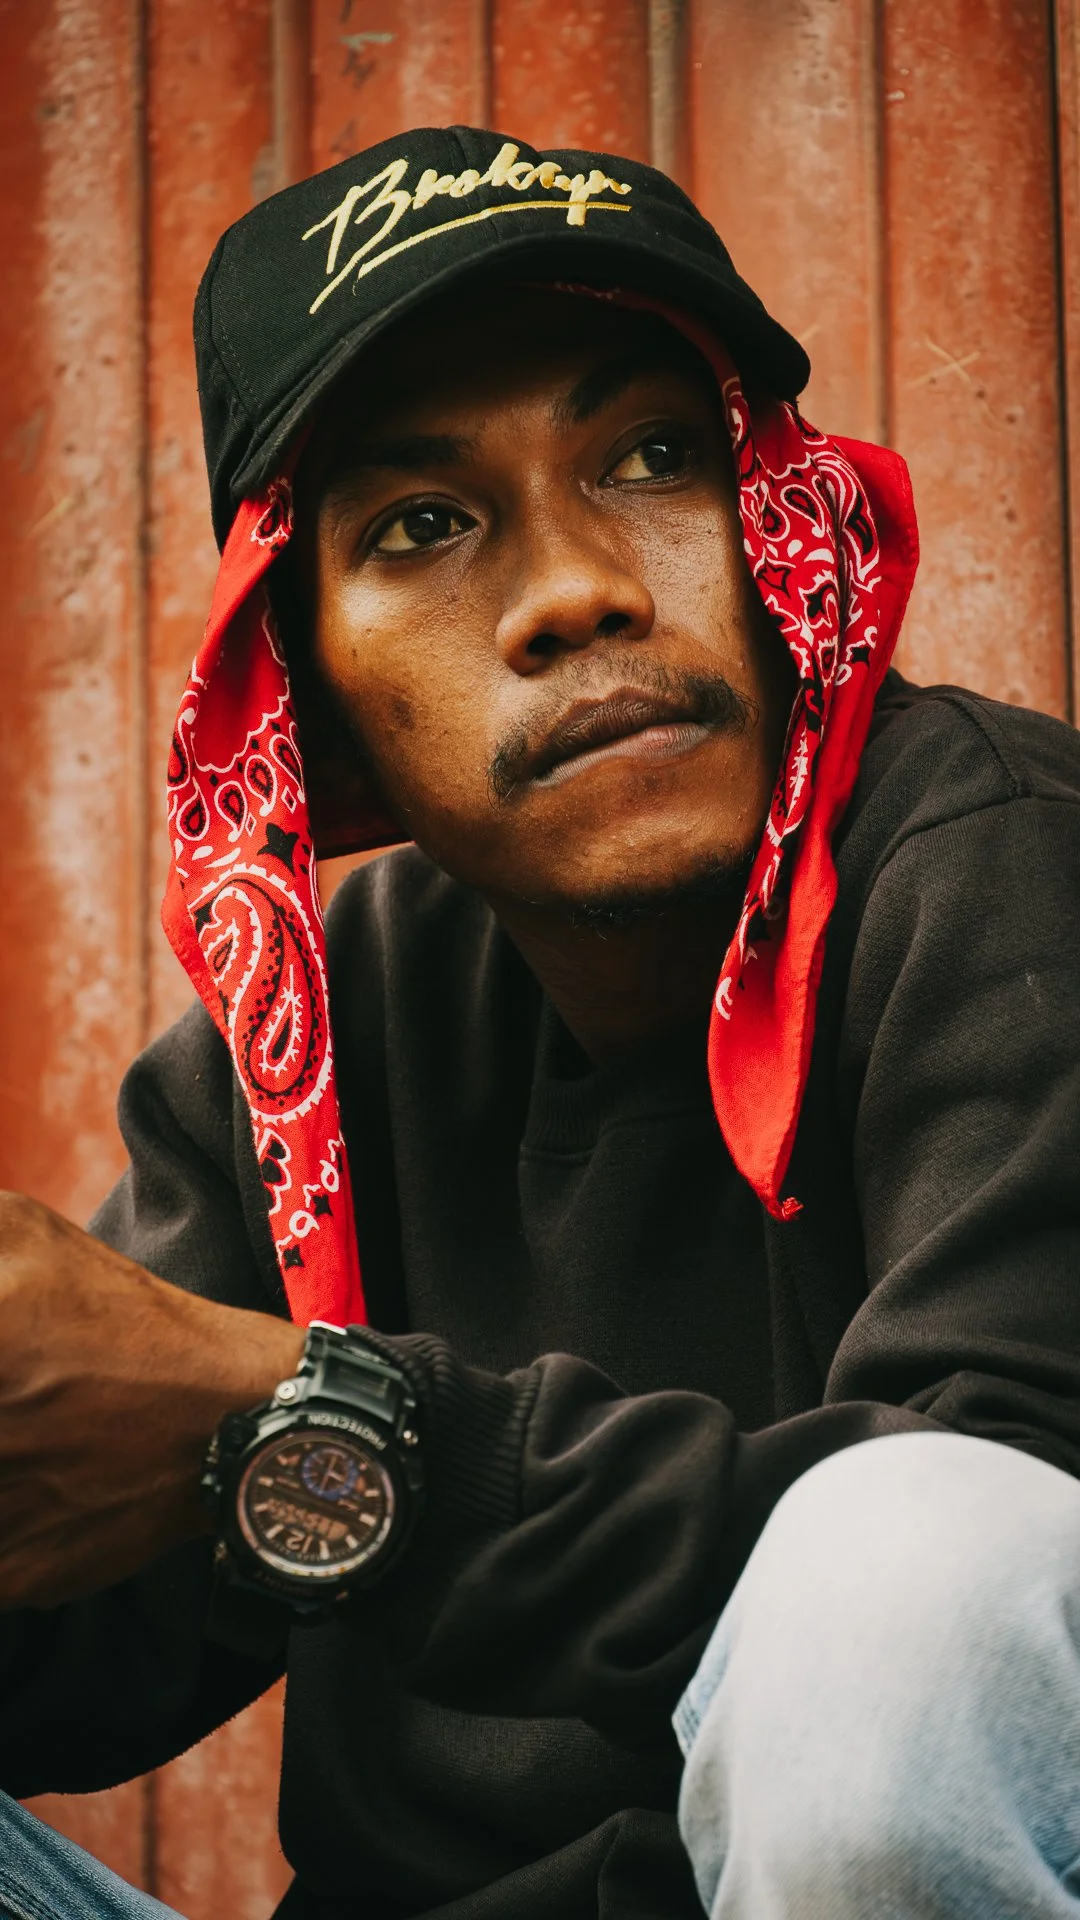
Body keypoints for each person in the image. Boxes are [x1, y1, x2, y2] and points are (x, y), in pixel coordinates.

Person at [2, 125, 1080, 1920]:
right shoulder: (314, 1046)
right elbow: (90, 1670)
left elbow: (1000, 1623)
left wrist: (318, 1427)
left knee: (919, 1569)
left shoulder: (996, 870)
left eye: (654, 454)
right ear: (309, 701)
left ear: (781, 523)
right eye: (424, 524)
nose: (580, 586)